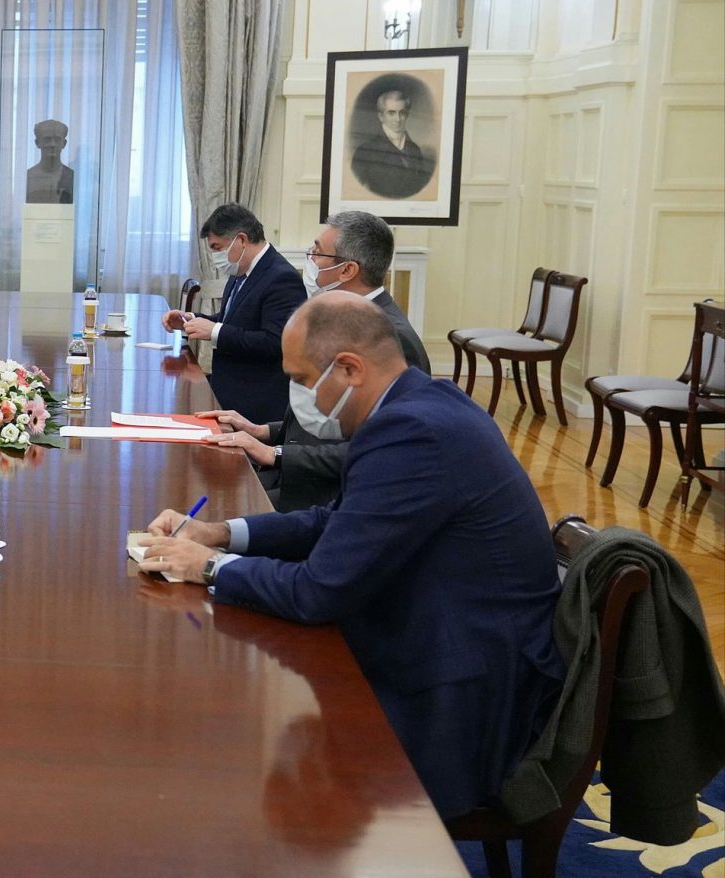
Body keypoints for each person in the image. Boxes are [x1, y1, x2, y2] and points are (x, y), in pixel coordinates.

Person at [138, 292, 563, 820]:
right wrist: (219, 533)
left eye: (301, 379)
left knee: (235, 739)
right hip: (444, 639)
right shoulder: (419, 404)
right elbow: (334, 520)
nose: (297, 396)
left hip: (459, 694)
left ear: (349, 369)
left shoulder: (412, 433)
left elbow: (318, 592)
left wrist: (203, 567)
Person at [199, 211, 430, 511]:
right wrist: (261, 430)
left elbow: (380, 448)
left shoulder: (393, 339)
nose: (309, 260)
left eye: (317, 253)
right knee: (207, 492)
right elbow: (329, 421)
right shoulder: (341, 314)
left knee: (217, 512)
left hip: (329, 498)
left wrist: (276, 454)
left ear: (347, 270)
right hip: (296, 475)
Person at [161, 204, 304, 423]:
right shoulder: (241, 270)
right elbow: (232, 320)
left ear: (242, 240)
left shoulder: (282, 278)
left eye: (217, 247)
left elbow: (276, 342)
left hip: (256, 403)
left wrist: (214, 331)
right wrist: (190, 320)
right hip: (229, 393)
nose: (215, 256)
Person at [350, 88, 434, 199]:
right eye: (391, 113)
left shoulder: (415, 150)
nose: (397, 119)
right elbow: (355, 193)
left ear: (407, 114)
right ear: (381, 117)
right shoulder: (365, 151)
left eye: (402, 113)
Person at [25, 119, 75, 204]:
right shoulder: (28, 176)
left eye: (57, 140)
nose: (52, 144)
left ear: (64, 143)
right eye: (47, 140)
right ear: (37, 143)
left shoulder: (71, 176)